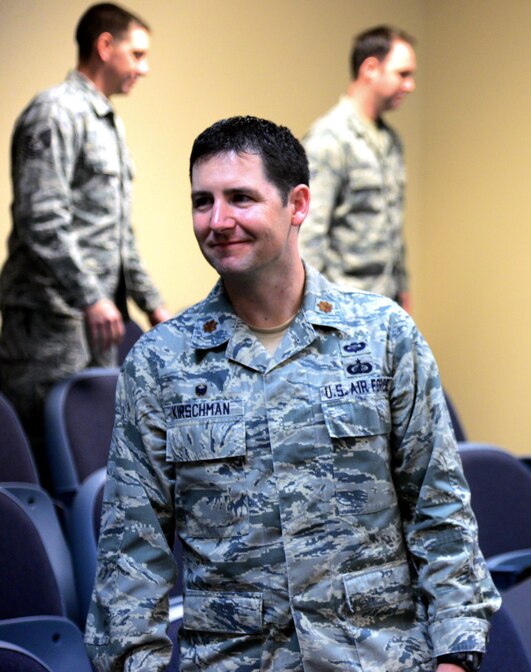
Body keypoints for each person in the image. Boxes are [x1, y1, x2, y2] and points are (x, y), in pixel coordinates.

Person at [85, 116, 499, 672]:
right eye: (202, 201)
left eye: (241, 198)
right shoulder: (162, 362)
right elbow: (131, 551)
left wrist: (456, 655)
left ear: (297, 204)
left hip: (380, 658)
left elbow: (440, 507)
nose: (218, 220)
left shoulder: (382, 336)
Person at [0, 2, 170, 489]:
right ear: (104, 46)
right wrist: (90, 294)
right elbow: (41, 219)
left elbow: (118, 236)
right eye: (137, 54)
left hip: (94, 328)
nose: (144, 67)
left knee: (88, 469)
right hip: (48, 330)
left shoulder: (106, 122)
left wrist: (153, 305)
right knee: (39, 474)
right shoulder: (56, 112)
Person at [300, 26, 416, 311]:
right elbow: (307, 238)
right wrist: (319, 311)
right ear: (370, 68)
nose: (410, 85)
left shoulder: (390, 142)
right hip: (343, 309)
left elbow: (392, 228)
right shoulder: (330, 140)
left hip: (384, 307)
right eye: (403, 74)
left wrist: (402, 290)